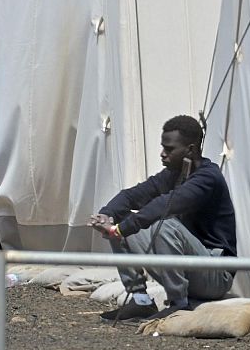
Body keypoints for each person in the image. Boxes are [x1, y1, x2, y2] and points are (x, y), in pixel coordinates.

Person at [91, 115, 238, 322]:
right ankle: (141, 301)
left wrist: (122, 229)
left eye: (169, 149)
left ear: (190, 149)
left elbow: (166, 205)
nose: (163, 154)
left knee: (164, 222)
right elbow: (132, 196)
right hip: (190, 267)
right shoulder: (172, 174)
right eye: (163, 147)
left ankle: (179, 304)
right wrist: (106, 216)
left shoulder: (208, 178)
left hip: (214, 275)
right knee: (119, 219)